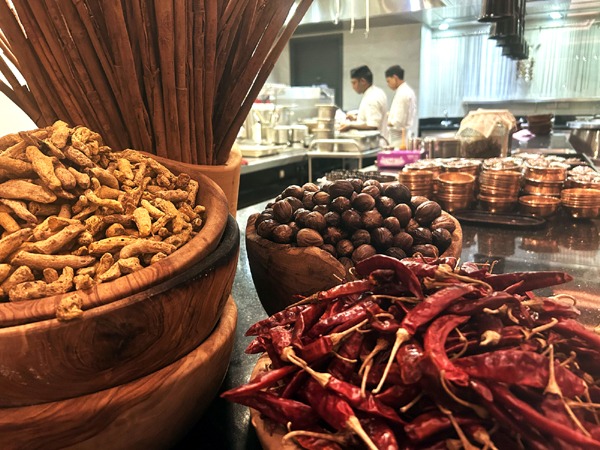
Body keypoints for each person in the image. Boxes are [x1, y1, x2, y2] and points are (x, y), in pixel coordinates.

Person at [339, 65, 388, 139]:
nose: (353, 87)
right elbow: (371, 119)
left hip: (375, 142)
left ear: (363, 81)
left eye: (354, 83)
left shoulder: (372, 97)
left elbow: (373, 125)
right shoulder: (376, 92)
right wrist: (356, 119)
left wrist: (350, 126)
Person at [385, 65, 417, 147]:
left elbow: (398, 122)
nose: (388, 84)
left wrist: (383, 121)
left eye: (388, 81)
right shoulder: (407, 91)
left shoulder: (402, 94)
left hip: (399, 139)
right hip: (404, 136)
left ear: (395, 78)